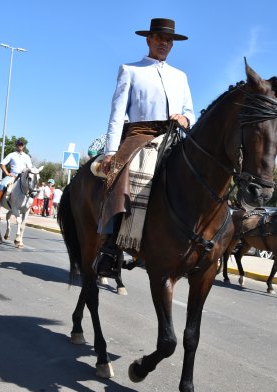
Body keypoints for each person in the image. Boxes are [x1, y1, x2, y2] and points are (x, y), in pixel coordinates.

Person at [95, 18, 195, 277]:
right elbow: (117, 114)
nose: (164, 43)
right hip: (139, 133)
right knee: (117, 176)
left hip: (173, 135)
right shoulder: (130, 70)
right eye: (159, 38)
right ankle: (109, 248)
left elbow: (190, 113)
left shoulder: (180, 76)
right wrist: (109, 152)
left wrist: (184, 119)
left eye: (169, 39)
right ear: (149, 39)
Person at [0, 138, 33, 210]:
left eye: (21, 145)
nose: (20, 146)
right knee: (2, 185)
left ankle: (30, 206)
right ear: (16, 146)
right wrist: (7, 173)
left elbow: (30, 168)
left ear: (23, 146)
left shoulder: (27, 156)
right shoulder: (11, 155)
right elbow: (2, 163)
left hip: (23, 176)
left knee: (32, 187)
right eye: (18, 145)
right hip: (13, 175)